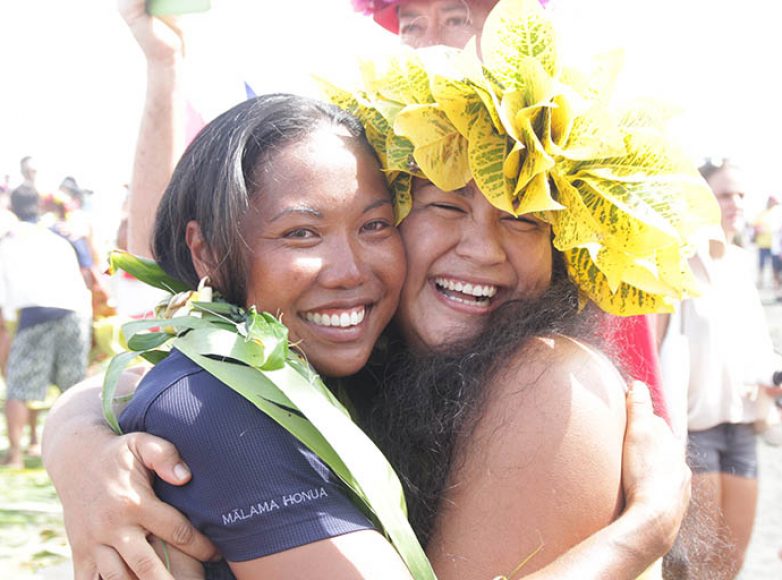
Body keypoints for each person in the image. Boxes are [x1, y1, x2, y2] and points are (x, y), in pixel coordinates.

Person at [44, 1, 710, 577]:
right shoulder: (374, 332)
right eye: (444, 207)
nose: (481, 248)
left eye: (523, 218)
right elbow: (174, 308)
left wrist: (646, 529)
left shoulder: (548, 381)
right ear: (392, 217)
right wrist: (80, 448)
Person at [659, 159, 782, 578]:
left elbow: (756, 348)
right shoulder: (675, 263)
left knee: (731, 565)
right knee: (692, 568)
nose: (735, 203)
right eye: (724, 194)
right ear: (700, 197)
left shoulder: (743, 264)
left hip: (744, 428)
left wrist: (773, 377)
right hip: (695, 433)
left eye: (741, 195)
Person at [1, 187, 92, 468]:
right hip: (74, 310)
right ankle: (81, 453)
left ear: (13, 208)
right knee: (74, 387)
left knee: (20, 386)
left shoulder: (8, 241)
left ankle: (16, 455)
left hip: (35, 313)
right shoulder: (59, 233)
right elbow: (87, 272)